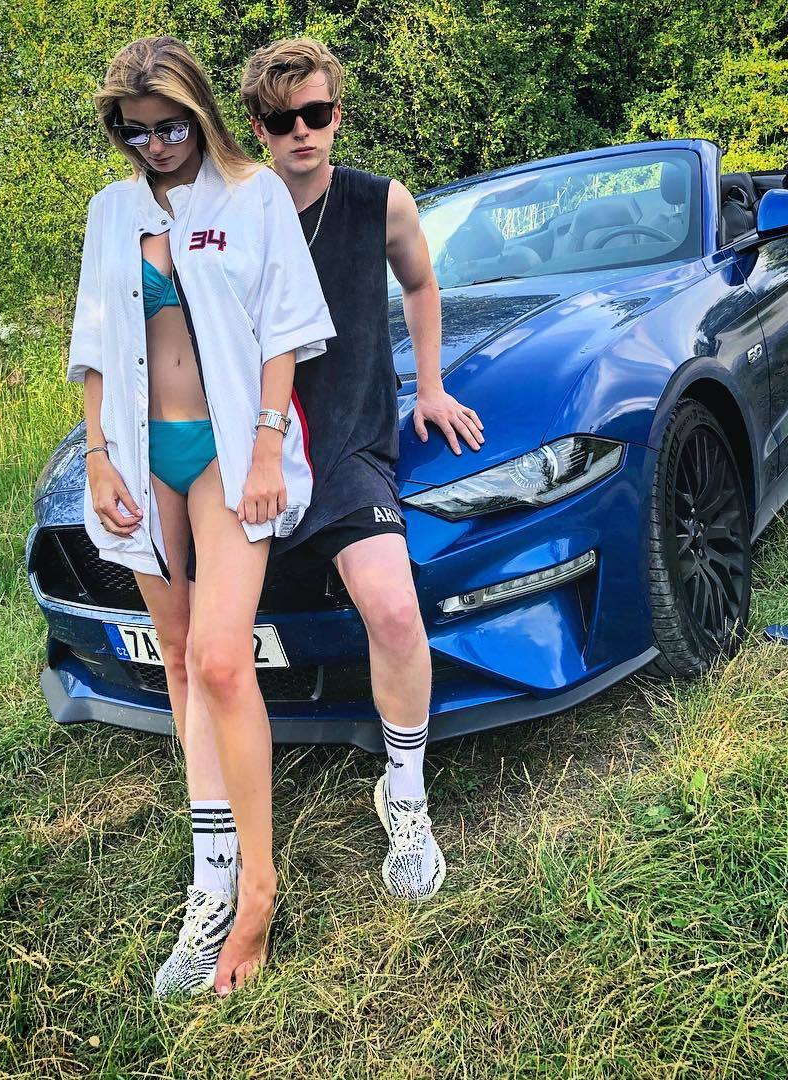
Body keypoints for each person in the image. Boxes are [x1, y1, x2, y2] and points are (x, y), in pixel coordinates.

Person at [66, 36, 335, 999]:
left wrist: (266, 445)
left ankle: (258, 892)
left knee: (223, 661)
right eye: (136, 133)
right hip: (143, 457)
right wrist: (97, 455)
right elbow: (96, 343)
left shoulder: (253, 194)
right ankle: (211, 877)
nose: (157, 146)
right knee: (178, 658)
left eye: (172, 126)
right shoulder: (111, 213)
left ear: (202, 113)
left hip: (229, 450)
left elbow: (285, 332)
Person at [232, 37, 484, 902]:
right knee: (205, 632)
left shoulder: (381, 201)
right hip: (251, 454)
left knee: (395, 609)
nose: (301, 131)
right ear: (259, 128)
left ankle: (405, 796)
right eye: (282, 119)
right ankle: (221, 835)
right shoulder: (235, 209)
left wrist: (431, 386)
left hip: (346, 444)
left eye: (316, 113)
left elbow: (420, 286)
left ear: (337, 113)